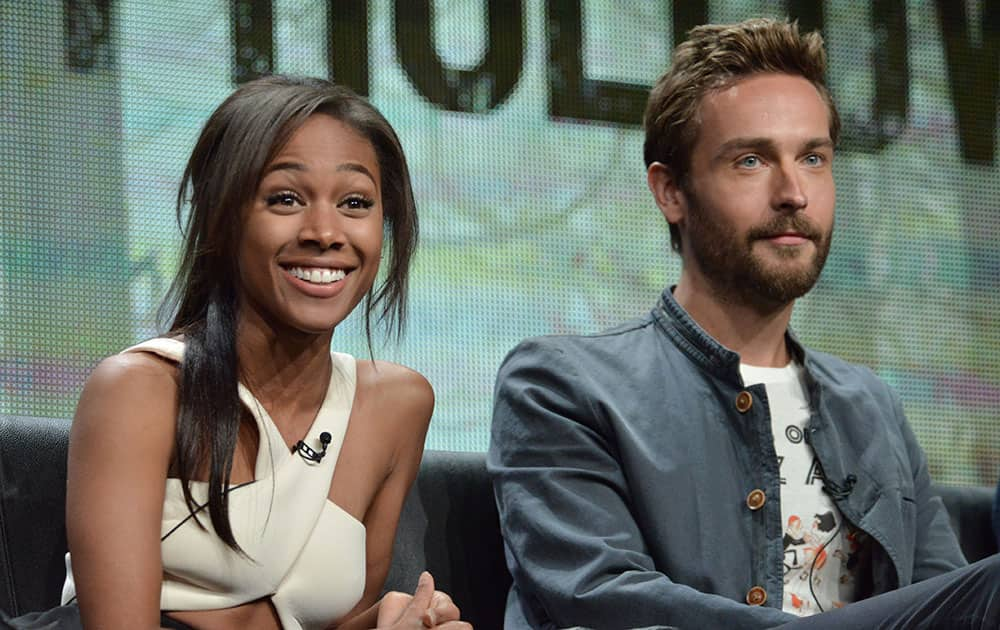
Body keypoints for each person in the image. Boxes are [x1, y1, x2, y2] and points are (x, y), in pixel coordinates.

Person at [488, 18, 1000, 630]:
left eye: (813, 158)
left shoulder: (873, 407)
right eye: (752, 160)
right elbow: (602, 600)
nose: (793, 193)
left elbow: (950, 606)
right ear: (670, 191)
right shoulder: (562, 383)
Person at [10, 76, 468, 630]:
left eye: (355, 203)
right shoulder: (139, 389)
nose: (325, 232)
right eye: (285, 199)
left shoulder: (399, 403)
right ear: (223, 218)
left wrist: (389, 623)